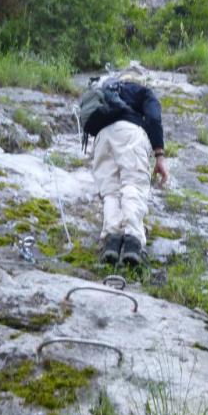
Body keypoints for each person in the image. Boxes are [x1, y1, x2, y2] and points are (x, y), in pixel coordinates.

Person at [86, 69, 168, 267]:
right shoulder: (143, 92)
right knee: (133, 185)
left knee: (111, 192)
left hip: (102, 138)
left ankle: (111, 241)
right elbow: (154, 118)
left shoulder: (105, 93)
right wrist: (159, 155)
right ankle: (132, 242)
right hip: (130, 133)